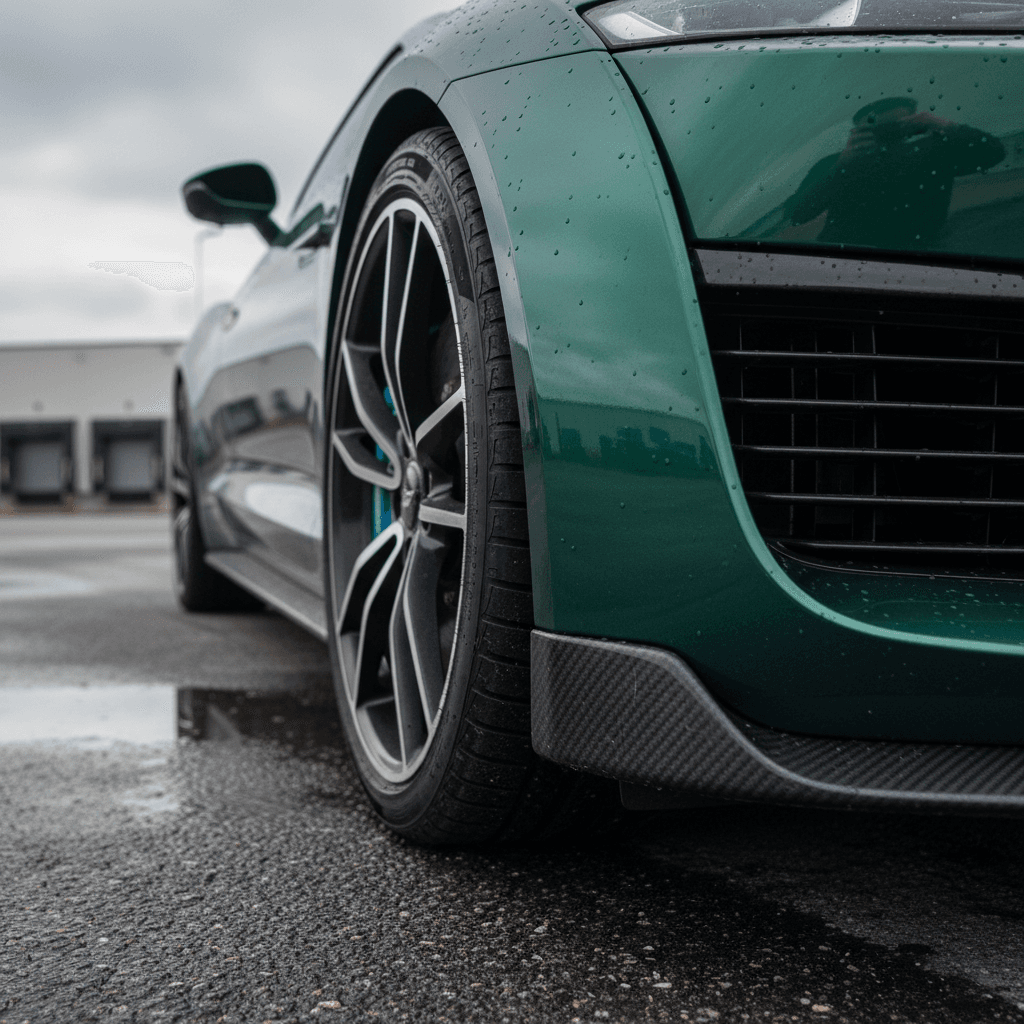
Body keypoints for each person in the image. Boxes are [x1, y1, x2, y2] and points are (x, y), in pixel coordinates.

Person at [784, 96, 1005, 247]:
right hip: (842, 261)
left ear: (914, 124)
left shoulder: (932, 152)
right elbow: (797, 214)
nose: (885, 134)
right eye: (875, 128)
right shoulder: (837, 163)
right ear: (857, 131)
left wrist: (940, 124)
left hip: (918, 262)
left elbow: (994, 153)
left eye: (896, 125)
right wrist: (840, 166)